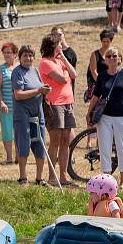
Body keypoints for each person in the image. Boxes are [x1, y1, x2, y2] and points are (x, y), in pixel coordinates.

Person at [86, 47, 123, 187]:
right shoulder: (102, 76)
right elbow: (96, 96)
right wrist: (89, 112)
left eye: (115, 56)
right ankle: (106, 181)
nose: (112, 58)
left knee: (122, 149)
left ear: (120, 58)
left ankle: (122, 182)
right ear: (105, 59)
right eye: (109, 56)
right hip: (104, 117)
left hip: (122, 117)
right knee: (104, 149)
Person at [39, 34, 77, 186]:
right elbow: (63, 79)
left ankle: (63, 175)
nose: (62, 47)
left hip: (68, 103)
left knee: (65, 140)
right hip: (54, 104)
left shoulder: (61, 60)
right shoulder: (45, 63)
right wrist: (66, 71)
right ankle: (52, 176)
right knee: (55, 141)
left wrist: (65, 61)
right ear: (53, 46)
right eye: (59, 44)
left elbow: (74, 74)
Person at [11, 44, 50, 186]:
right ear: (20, 57)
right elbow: (18, 95)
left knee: (40, 144)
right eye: (25, 55)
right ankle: (23, 177)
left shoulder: (35, 70)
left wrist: (44, 90)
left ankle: (40, 178)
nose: (28, 58)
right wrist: (39, 91)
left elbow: (38, 87)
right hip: (22, 113)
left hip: (37, 112)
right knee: (24, 143)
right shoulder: (17, 72)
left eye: (30, 55)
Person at [0, 42, 18, 164]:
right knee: (8, 131)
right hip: (6, 106)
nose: (7, 55)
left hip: (19, 106)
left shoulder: (19, 67)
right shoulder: (0, 69)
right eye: (5, 52)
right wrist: (1, 102)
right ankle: (9, 157)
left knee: (19, 131)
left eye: (9, 52)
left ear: (15, 54)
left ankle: (19, 157)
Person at [85, 29, 114, 103]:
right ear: (101, 41)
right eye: (104, 41)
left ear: (111, 41)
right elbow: (93, 71)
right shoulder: (95, 54)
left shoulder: (113, 54)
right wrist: (102, 84)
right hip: (97, 83)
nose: (106, 43)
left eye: (108, 41)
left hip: (109, 83)